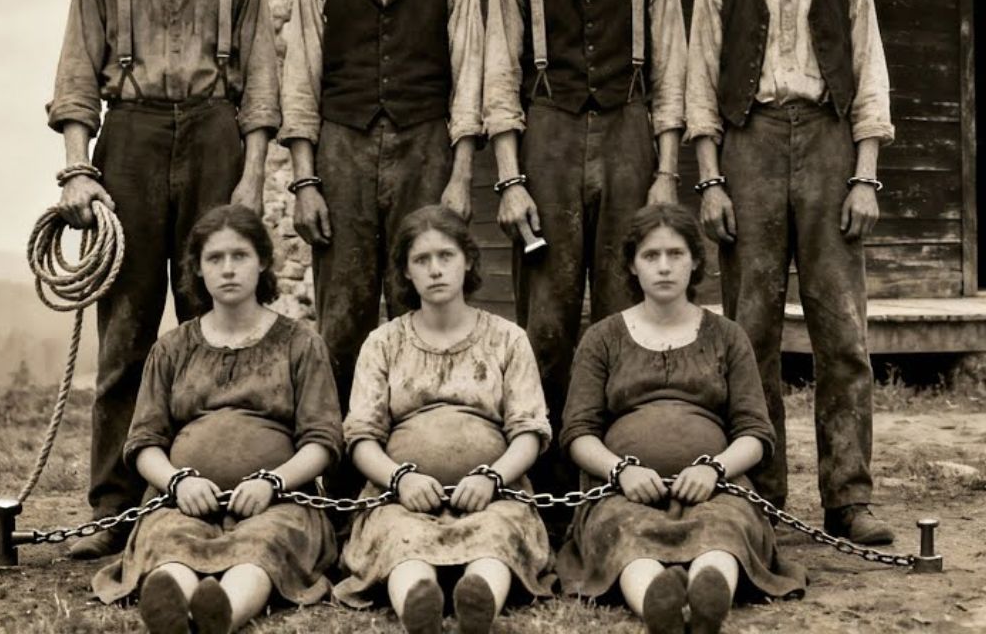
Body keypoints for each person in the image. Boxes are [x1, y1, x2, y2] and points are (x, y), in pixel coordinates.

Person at [48, 0, 281, 558]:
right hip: (134, 141)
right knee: (127, 337)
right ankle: (112, 509)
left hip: (216, 135)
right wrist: (80, 168)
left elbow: (263, 94)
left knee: (216, 326)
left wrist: (250, 181)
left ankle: (206, 490)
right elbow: (77, 80)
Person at [686, 0, 895, 545]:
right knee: (752, 333)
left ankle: (849, 498)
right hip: (750, 146)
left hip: (832, 145)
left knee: (844, 334)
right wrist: (711, 180)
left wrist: (865, 174)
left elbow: (870, 79)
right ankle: (761, 496)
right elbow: (699, 91)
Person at [483, 0, 688, 470]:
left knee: (627, 308)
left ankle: (623, 464)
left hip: (630, 134)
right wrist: (511, 180)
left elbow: (672, 72)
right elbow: (498, 79)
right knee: (546, 316)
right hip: (547, 137)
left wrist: (664, 172)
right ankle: (542, 483)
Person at [280, 0, 484, 413]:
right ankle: (340, 476)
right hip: (341, 151)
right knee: (341, 314)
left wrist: (459, 174)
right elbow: (301, 84)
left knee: (420, 301)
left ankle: (419, 447)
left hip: (426, 148)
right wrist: (305, 181)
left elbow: (468, 78)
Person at [92, 204, 342, 634]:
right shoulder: (173, 348)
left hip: (278, 504)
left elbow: (323, 440)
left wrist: (273, 482)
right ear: (198, 270)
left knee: (263, 546)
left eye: (240, 256)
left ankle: (221, 614)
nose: (228, 269)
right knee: (168, 540)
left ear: (262, 261)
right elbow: (144, 442)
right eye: (215, 258)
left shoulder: (300, 343)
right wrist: (177, 482)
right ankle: (173, 609)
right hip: (183, 501)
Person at [558, 205, 805, 634]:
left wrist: (714, 469)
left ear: (695, 261)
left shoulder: (727, 336)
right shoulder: (603, 338)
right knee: (623, 532)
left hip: (716, 488)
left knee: (725, 528)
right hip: (624, 492)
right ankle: (656, 602)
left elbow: (755, 431)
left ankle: (712, 597)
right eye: (651, 256)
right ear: (633, 266)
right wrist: (621, 471)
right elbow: (578, 432)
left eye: (676, 254)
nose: (665, 266)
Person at [333, 205, 554, 634]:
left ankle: (479, 602)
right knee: (400, 538)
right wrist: (400, 480)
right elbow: (361, 436)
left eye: (446, 256)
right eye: (421, 260)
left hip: (493, 494)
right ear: (406, 272)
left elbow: (529, 430)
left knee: (497, 534)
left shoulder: (508, 339)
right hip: (399, 496)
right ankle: (419, 607)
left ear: (467, 260)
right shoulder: (383, 343)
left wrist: (492, 477)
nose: (435, 270)